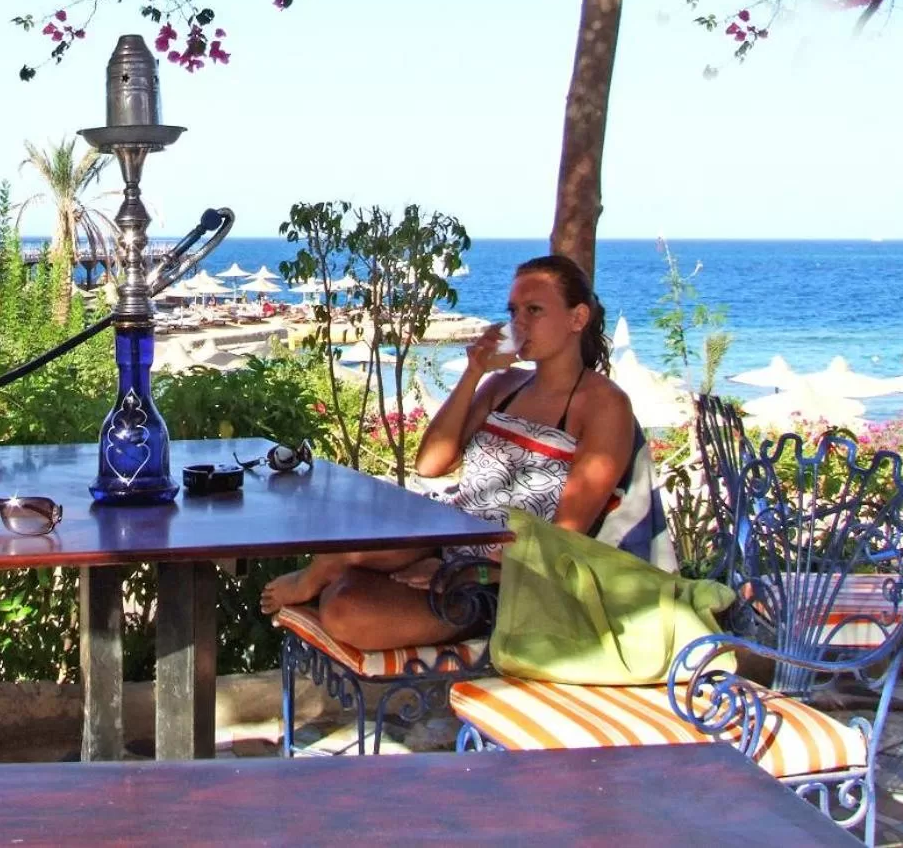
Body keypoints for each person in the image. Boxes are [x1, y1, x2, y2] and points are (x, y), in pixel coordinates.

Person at [259, 253, 671, 650]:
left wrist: (464, 572)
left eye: (534, 310)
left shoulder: (603, 405)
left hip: (509, 579)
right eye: (513, 311)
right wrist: (474, 373)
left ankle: (320, 580)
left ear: (577, 318)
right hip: (449, 536)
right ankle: (320, 576)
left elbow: (561, 539)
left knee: (344, 608)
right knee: (354, 543)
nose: (518, 323)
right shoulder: (503, 387)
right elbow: (431, 463)